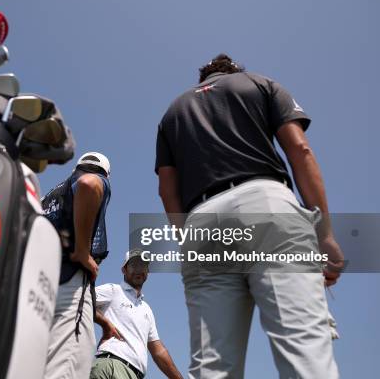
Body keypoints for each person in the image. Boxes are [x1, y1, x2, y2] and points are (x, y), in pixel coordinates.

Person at [155, 54, 345, 378]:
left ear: (203, 78)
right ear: (234, 71)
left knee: (212, 366)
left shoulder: (172, 113)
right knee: (302, 345)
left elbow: (167, 190)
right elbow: (300, 150)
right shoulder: (260, 83)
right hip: (265, 203)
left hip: (201, 220)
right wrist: (325, 235)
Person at [42, 152, 112, 379]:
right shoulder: (93, 178)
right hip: (70, 283)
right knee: (68, 366)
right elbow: (89, 184)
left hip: (38, 290)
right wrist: (82, 251)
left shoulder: (49, 196)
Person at [91, 249, 184, 379]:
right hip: (111, 364)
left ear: (147, 273)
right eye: (134, 265)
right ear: (124, 269)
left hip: (133, 374)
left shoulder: (146, 310)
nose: (139, 269)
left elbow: (158, 351)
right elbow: (81, 299)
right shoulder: (114, 290)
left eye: (143, 266)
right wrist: (105, 323)